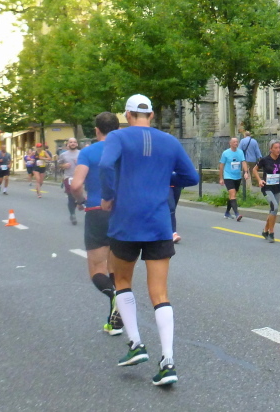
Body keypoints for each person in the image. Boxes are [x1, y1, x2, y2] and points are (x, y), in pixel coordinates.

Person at [99, 94, 198, 386]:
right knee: (160, 293)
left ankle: (136, 344)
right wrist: (165, 179)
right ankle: (168, 361)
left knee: (122, 281)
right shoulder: (170, 141)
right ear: (151, 115)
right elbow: (191, 177)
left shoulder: (117, 137)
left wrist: (109, 195)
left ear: (127, 115)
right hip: (158, 222)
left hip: (126, 221)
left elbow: (105, 166)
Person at [71, 112, 124, 337]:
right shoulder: (124, 150)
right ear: (118, 129)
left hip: (96, 210)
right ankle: (114, 322)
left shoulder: (88, 152)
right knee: (117, 268)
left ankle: (114, 297)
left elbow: (76, 185)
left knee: (96, 268)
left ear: (96, 130)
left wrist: (80, 201)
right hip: (123, 212)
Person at [253, 140, 280, 243]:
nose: (278, 150)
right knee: (274, 207)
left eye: (279, 148)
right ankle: (271, 232)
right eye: (276, 148)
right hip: (267, 188)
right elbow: (254, 169)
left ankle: (265, 231)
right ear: (270, 149)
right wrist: (259, 180)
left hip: (277, 188)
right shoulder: (265, 159)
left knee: (273, 210)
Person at [218, 137, 248, 221]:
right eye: (234, 142)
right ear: (230, 143)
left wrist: (246, 172)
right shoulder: (225, 153)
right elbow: (221, 165)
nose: (236, 143)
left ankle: (227, 212)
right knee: (233, 194)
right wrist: (221, 178)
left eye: (237, 142)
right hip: (228, 176)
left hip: (237, 176)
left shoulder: (240, 152)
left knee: (232, 196)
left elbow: (243, 162)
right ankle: (237, 214)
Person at [58, 137, 81, 225]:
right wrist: (64, 165)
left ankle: (78, 204)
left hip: (79, 177)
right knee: (71, 196)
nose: (73, 143)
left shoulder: (81, 153)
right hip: (68, 177)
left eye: (74, 142)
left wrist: (79, 162)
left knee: (78, 197)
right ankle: (72, 214)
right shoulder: (63, 155)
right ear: (68, 144)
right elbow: (59, 165)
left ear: (77, 144)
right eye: (71, 142)